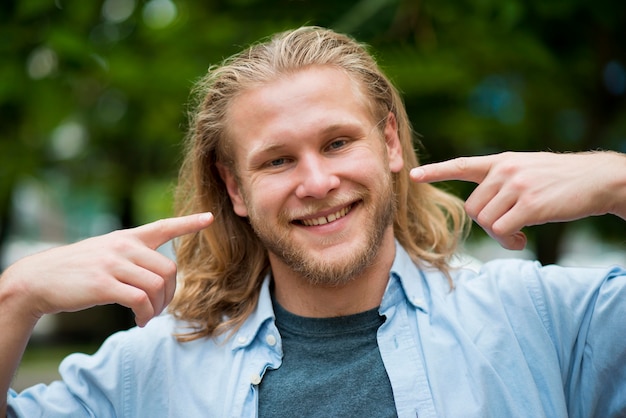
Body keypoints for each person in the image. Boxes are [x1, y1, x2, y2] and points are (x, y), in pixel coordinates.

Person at [1, 26, 625, 417]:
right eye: (276, 160)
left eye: (336, 143)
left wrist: (618, 179)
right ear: (233, 187)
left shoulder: (543, 320)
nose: (317, 182)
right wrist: (15, 299)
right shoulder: (151, 368)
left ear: (388, 143)